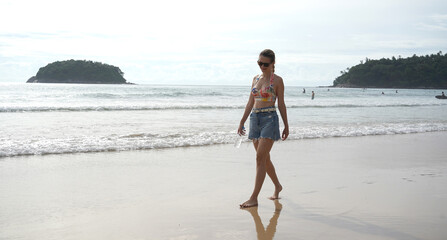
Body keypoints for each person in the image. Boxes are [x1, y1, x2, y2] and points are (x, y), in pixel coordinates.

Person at [238, 49, 289, 208]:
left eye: (265, 64)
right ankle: (278, 186)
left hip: (269, 119)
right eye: (259, 63)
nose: (262, 66)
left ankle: (254, 198)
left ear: (273, 63)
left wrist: (286, 125)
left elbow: (281, 104)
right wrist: (242, 121)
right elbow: (250, 102)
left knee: (260, 158)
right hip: (255, 119)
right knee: (264, 159)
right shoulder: (255, 78)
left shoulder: (278, 81)